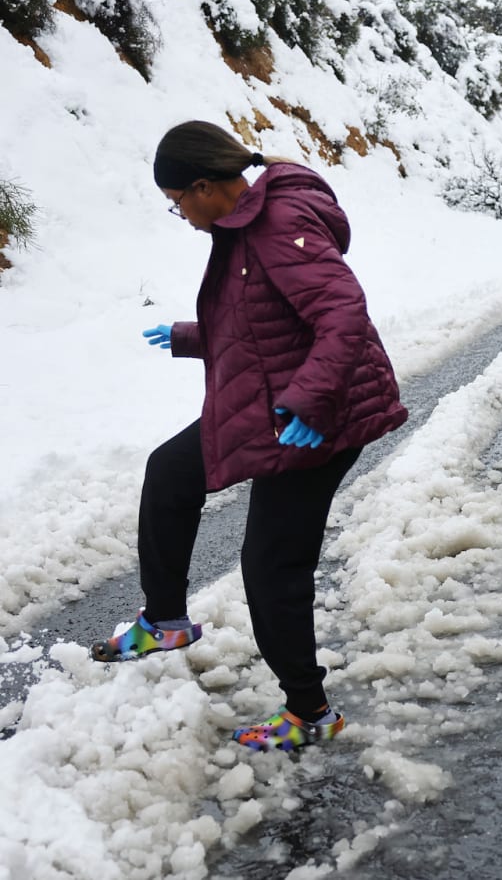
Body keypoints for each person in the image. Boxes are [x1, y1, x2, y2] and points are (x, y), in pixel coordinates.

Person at [91, 120, 408, 753]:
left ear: (205, 186)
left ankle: (308, 713)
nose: (179, 214)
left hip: (321, 418)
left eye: (179, 201)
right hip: (279, 403)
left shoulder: (275, 224)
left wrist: (308, 399)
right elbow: (259, 320)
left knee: (270, 565)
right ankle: (166, 620)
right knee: (169, 472)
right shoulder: (246, 223)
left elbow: (341, 313)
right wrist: (188, 336)